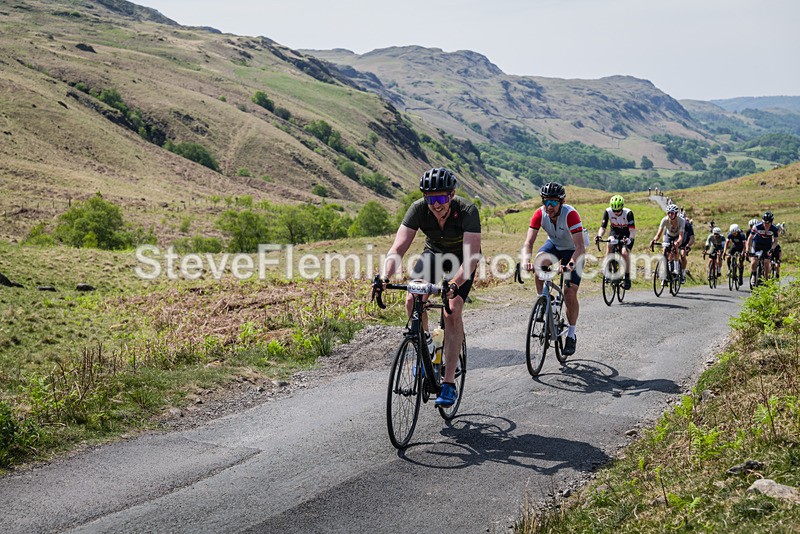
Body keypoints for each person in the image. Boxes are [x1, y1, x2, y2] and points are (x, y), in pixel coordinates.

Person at [379, 167, 481, 407]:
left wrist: (454, 284)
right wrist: (384, 276)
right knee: (412, 298)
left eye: (441, 199)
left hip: (461, 259)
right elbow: (398, 248)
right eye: (430, 199)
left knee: (451, 310)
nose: (436, 205)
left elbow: (471, 258)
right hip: (433, 255)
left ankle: (448, 383)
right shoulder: (418, 209)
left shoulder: (467, 211)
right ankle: (426, 349)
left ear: (451, 195)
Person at [521, 182, 586, 357]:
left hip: (574, 250)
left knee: (569, 293)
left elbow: (580, 247)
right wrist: (526, 261)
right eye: (546, 202)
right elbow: (529, 242)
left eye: (553, 202)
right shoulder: (540, 213)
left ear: (562, 202)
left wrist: (570, 265)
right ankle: (543, 300)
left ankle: (571, 335)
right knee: (539, 262)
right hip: (555, 246)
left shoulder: (570, 215)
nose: (549, 206)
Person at [595, 194, 635, 289]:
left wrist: (629, 239)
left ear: (622, 207)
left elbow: (632, 231)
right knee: (609, 244)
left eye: (618, 211)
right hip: (615, 232)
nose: (616, 213)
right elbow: (603, 227)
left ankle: (627, 277)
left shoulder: (628, 213)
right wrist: (599, 236)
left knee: (624, 253)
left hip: (626, 233)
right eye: (614, 211)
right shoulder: (608, 211)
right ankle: (608, 271)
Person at [650, 204, 685, 282]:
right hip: (669, 236)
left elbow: (681, 236)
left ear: (676, 213)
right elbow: (658, 234)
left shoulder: (681, 221)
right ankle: (665, 270)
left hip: (677, 236)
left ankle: (676, 269)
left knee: (675, 248)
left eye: (672, 213)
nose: (670, 214)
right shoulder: (664, 220)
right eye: (668, 213)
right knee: (664, 250)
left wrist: (677, 242)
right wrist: (654, 240)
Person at [745, 211, 780, 283]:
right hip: (757, 244)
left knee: (766, 262)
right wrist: (747, 249)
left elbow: (776, 241)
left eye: (768, 223)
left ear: (771, 222)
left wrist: (772, 249)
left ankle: (766, 280)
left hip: (767, 245)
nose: (766, 225)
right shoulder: (757, 226)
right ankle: (754, 274)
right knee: (754, 261)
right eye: (764, 223)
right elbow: (750, 239)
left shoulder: (774, 229)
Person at [678, 216, 695, 283]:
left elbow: (692, 238)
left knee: (683, 255)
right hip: (676, 242)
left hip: (684, 243)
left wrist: (688, 245)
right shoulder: (674, 223)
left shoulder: (688, 225)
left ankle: (682, 274)